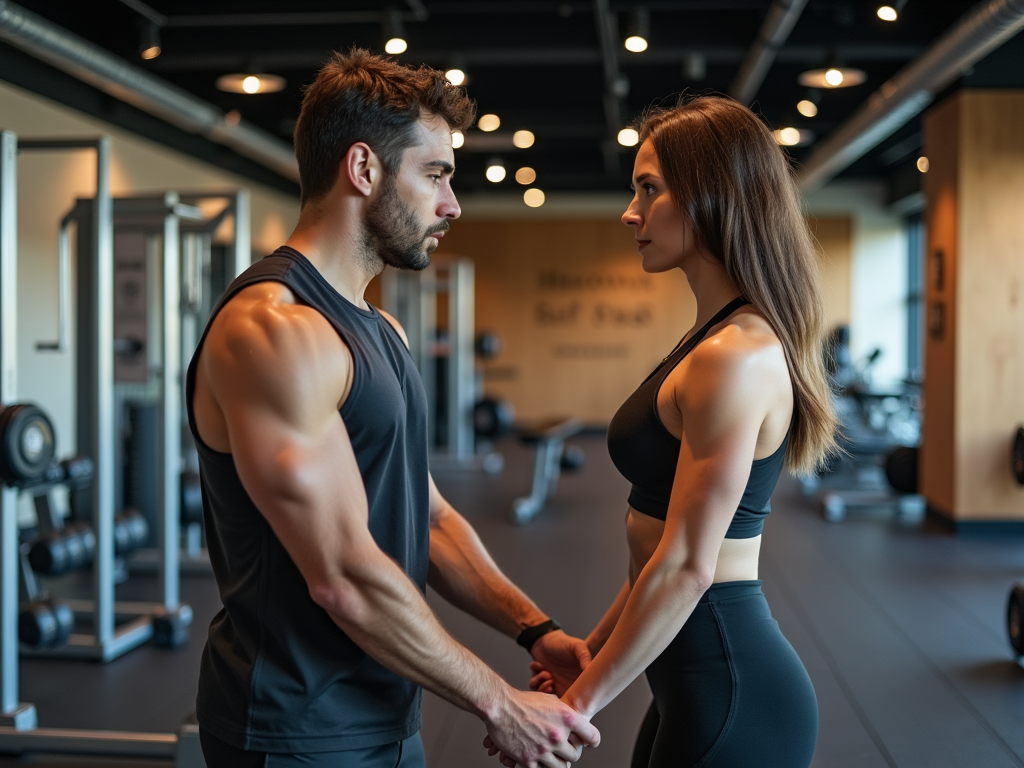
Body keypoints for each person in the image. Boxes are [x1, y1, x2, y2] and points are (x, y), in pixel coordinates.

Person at [186, 48, 599, 768]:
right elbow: (342, 575)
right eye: (435, 175)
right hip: (295, 732)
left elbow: (428, 516)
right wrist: (500, 702)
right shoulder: (274, 330)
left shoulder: (383, 328)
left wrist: (536, 632)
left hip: (391, 708)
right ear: (364, 169)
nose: (452, 204)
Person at [524, 96, 838, 768]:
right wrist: (588, 656)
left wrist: (570, 713)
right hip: (688, 682)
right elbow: (656, 556)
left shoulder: (735, 355)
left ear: (711, 196)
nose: (629, 212)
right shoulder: (713, 338)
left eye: (648, 189)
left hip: (733, 689)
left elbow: (690, 566)